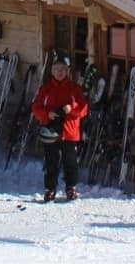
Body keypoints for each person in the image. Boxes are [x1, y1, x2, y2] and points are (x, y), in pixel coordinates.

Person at [30, 56, 89, 201]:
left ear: (68, 71)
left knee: (70, 162)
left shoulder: (75, 89)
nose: (59, 72)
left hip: (69, 131)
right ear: (52, 70)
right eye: (56, 69)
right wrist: (47, 114)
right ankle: (50, 189)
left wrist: (71, 108)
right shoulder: (46, 89)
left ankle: (71, 188)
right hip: (51, 131)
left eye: (63, 69)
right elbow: (36, 108)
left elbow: (84, 109)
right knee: (51, 162)